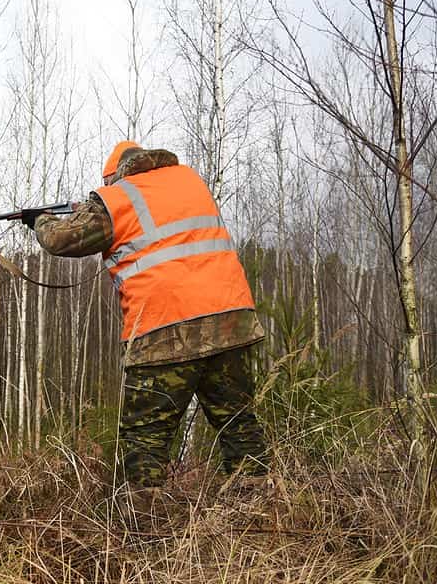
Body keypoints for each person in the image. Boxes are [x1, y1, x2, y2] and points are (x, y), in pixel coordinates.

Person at [30, 141, 268, 488]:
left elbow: (61, 239)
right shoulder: (189, 181)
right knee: (239, 424)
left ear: (115, 175)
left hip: (165, 329)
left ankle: (145, 529)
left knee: (145, 440)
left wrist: (39, 220)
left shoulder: (119, 197)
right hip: (232, 322)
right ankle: (261, 511)